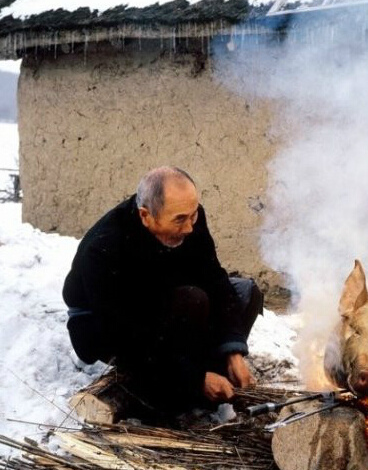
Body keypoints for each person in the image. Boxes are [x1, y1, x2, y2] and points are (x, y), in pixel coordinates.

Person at [63, 166, 263, 414]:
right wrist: (194, 378)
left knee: (246, 292)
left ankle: (210, 369)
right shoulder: (105, 247)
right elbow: (126, 336)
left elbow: (214, 279)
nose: (189, 227)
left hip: (163, 300)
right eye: (180, 219)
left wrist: (232, 350)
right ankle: (169, 396)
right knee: (193, 300)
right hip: (104, 325)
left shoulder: (189, 217)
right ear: (146, 216)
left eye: (193, 216)